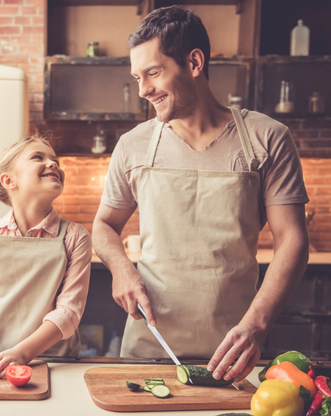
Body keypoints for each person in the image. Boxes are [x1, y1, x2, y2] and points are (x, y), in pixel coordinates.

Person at [92, 6, 309, 383]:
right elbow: (104, 226)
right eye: (137, 77)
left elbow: (292, 238)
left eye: (154, 73)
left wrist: (257, 325)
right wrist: (121, 270)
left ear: (194, 61)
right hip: (149, 349)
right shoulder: (133, 145)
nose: (143, 90)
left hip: (236, 350)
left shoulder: (267, 137)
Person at [0, 135, 91, 378]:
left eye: (55, 160)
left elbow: (68, 313)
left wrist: (22, 353)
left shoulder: (76, 237)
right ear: (9, 180)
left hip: (56, 363)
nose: (53, 164)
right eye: (38, 157)